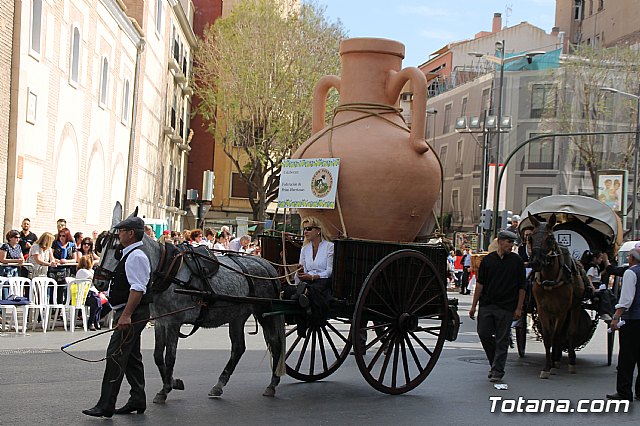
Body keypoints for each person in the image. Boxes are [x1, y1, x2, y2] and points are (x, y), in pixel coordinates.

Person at [83, 216, 151, 418]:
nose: (119, 234)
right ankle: (138, 398)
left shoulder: (136, 256)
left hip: (132, 313)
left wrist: (126, 315)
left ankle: (106, 405)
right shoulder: (130, 254)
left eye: (122, 230)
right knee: (131, 357)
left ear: (131, 233)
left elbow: (138, 289)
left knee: (115, 355)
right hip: (130, 312)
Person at [469, 230, 526, 383]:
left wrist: (519, 308)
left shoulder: (517, 261)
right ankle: (495, 362)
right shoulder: (488, 260)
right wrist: (473, 306)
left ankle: (497, 370)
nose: (511, 245)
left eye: (513, 243)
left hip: (506, 307)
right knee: (483, 333)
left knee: (502, 339)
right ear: (500, 242)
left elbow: (522, 287)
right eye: (509, 242)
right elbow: (480, 284)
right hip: (487, 304)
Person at [606, 247, 640, 402]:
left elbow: (627, 299)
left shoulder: (630, 273)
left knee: (627, 357)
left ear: (632, 259)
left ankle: (624, 391)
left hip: (632, 320)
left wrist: (615, 317)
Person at [75, 255, 101, 331]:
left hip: (93, 293)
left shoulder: (91, 271)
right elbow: (93, 279)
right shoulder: (82, 271)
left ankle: (96, 319)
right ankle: (91, 322)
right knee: (96, 301)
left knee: (106, 305)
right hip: (84, 295)